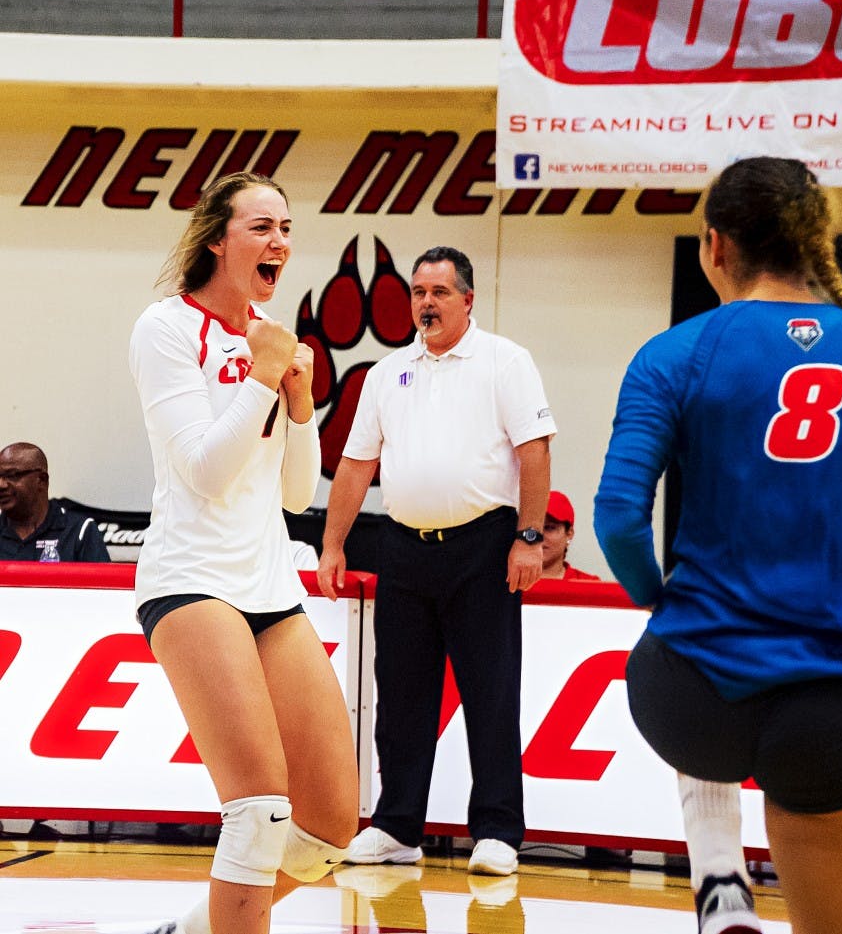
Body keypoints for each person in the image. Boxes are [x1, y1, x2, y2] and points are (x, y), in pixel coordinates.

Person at [594, 157, 842, 934]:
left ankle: (718, 875)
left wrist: (656, 596)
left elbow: (617, 519)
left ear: (715, 246)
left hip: (688, 691)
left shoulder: (676, 352)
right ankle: (721, 876)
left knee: (685, 656)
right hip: (829, 706)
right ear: (818, 241)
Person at [128, 171, 358, 934]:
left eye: (286, 227)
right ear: (217, 239)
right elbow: (203, 468)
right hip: (191, 579)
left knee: (328, 827)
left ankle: (188, 928)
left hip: (267, 582)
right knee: (258, 811)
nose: (280, 242)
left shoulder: (271, 335)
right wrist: (264, 378)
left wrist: (300, 400)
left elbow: (296, 492)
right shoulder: (165, 328)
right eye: (262, 226)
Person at [318, 245, 556, 878]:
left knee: (490, 693)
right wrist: (334, 544)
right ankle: (396, 826)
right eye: (418, 292)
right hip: (402, 548)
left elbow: (535, 453)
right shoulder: (384, 374)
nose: (425, 302)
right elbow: (356, 464)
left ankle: (499, 831)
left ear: (467, 300)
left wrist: (529, 538)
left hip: (485, 548)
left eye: (439, 292)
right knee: (398, 698)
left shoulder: (506, 362)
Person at [0, 442, 110, 563]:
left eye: (12, 475)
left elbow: (103, 581)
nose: (2, 484)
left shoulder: (79, 531)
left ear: (42, 480)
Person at [541, 490, 600, 580]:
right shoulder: (511, 583)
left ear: (569, 533)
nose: (538, 536)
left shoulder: (590, 585)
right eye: (531, 529)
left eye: (549, 527)